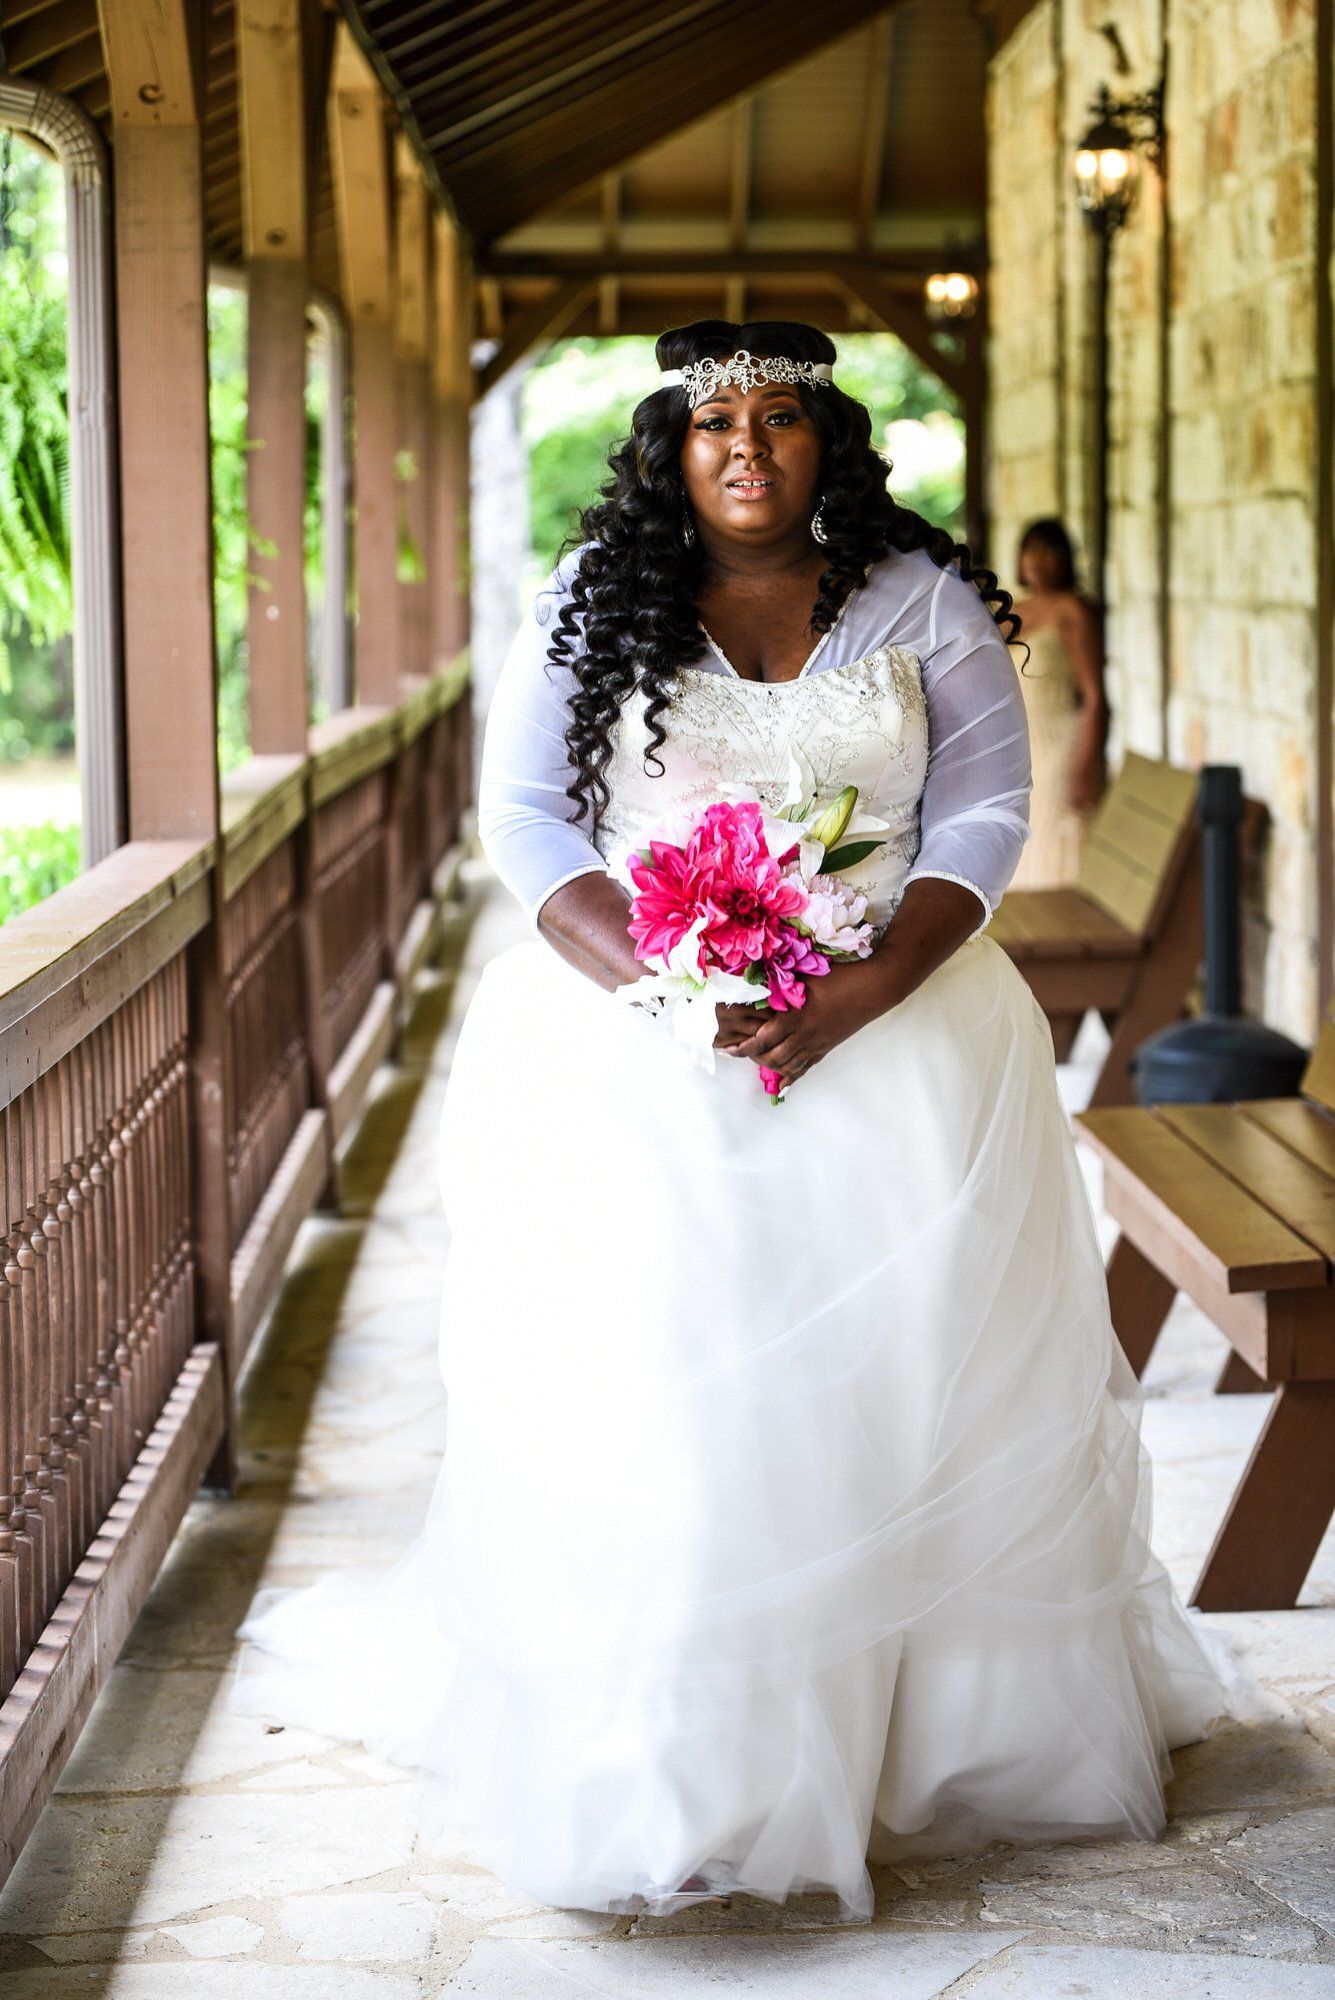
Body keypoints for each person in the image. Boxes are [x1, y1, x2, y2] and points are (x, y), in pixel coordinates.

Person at [230, 321, 1248, 1923]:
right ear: (669, 446)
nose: (747, 450)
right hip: (646, 1066)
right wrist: (656, 982)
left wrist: (859, 991)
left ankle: (936, 1748)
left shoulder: (920, 600)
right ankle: (686, 1777)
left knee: (906, 1381)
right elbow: (523, 814)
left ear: (829, 439)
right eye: (715, 425)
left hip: (897, 1042)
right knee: (677, 1401)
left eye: (780, 420)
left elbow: (979, 807)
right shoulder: (592, 604)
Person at [1010, 517, 1107, 889]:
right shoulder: (1009, 610)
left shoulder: (1073, 611)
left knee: (1052, 847)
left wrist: (1086, 764)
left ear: (1065, 558)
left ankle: (1059, 938)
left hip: (1058, 749)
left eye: (1049, 549)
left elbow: (1095, 696)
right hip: (1020, 749)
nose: (1037, 558)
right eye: (1030, 548)